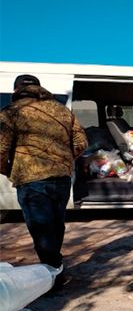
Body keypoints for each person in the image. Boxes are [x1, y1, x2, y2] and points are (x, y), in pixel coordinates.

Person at [0, 74, 88, 287]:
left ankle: (53, 277)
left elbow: (1, 150)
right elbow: (81, 142)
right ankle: (55, 269)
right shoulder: (61, 110)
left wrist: (9, 169)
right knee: (56, 226)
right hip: (61, 178)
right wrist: (63, 160)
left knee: (41, 229)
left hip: (31, 179)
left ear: (16, 91)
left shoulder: (11, 112)